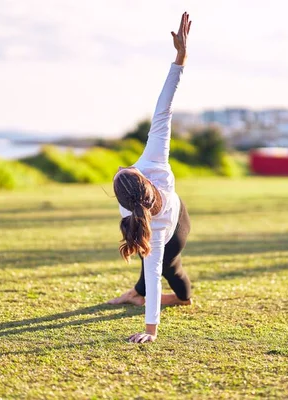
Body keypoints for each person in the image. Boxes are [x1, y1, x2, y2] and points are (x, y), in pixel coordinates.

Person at [107, 12, 193, 343]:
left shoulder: (137, 217)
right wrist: (180, 57)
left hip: (177, 224)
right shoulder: (152, 161)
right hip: (161, 222)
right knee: (150, 264)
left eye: (119, 172)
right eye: (122, 172)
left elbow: (156, 277)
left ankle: (184, 299)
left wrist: (149, 332)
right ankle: (134, 293)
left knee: (170, 269)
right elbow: (164, 109)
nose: (118, 168)